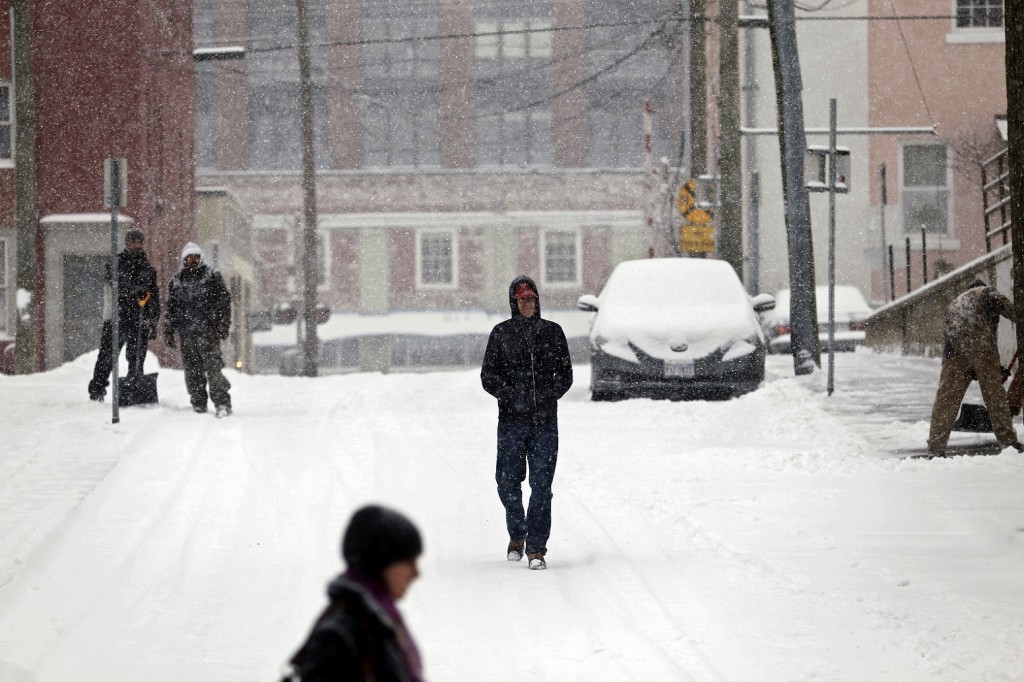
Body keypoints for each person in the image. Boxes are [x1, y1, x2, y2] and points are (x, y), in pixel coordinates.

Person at [480, 276, 573, 570]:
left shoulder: (553, 333)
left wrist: (547, 395)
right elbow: (488, 376)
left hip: (545, 423)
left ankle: (536, 548)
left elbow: (565, 375)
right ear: (514, 303)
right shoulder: (501, 334)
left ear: (538, 301)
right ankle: (517, 533)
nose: (528, 305)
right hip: (511, 422)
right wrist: (511, 396)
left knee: (542, 485)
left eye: (531, 299)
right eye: (522, 300)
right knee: (507, 483)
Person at [284, 505, 425, 682]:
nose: (416, 574)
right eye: (408, 561)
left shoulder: (378, 620)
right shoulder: (342, 632)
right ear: (380, 563)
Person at [927, 279, 1023, 455]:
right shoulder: (986, 292)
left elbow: (959, 351)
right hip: (981, 345)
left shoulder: (956, 302)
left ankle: (935, 447)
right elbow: (1004, 305)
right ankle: (1009, 442)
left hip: (954, 349)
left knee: (946, 399)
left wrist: (983, 369)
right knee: (995, 396)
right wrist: (1019, 319)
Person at [88, 228, 161, 402]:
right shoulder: (116, 264)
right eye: (132, 242)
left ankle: (134, 388)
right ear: (127, 243)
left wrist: (153, 321)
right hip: (117, 318)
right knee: (107, 357)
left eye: (139, 242)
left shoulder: (148, 269)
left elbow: (154, 296)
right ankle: (97, 390)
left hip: (139, 319)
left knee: (136, 358)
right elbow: (113, 283)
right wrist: (132, 291)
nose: (136, 245)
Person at [163, 242, 233, 416]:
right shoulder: (177, 281)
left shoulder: (212, 276)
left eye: (195, 257)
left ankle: (222, 403)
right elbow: (170, 307)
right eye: (189, 258)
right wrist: (169, 329)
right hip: (187, 335)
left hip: (209, 333)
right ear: (184, 260)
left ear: (200, 258)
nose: (192, 260)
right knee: (192, 372)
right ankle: (198, 403)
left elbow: (224, 302)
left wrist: (224, 324)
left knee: (214, 370)